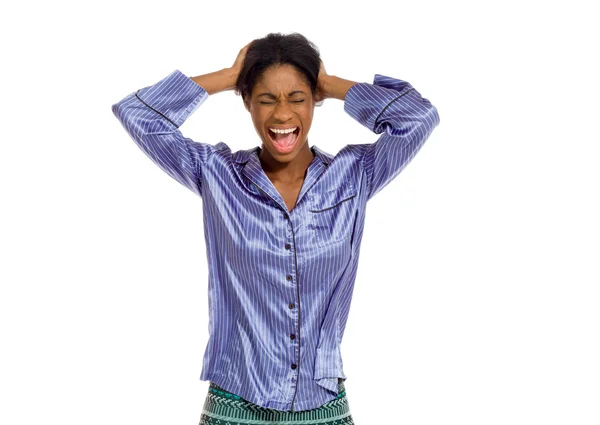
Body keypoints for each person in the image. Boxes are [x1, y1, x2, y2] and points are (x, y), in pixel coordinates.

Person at [112, 32, 440, 424]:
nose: (282, 114)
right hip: (235, 407)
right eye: (266, 99)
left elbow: (417, 118)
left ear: (314, 101)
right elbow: (137, 114)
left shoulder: (354, 176)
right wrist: (229, 75)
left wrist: (329, 85)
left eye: (297, 98)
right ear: (247, 102)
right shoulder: (217, 176)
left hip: (323, 409)